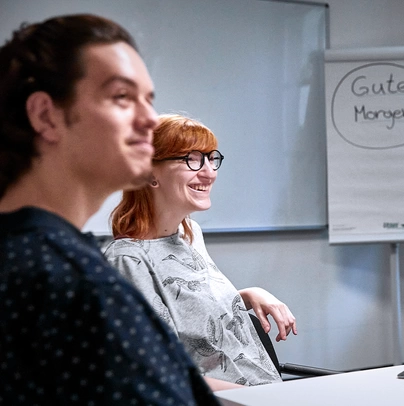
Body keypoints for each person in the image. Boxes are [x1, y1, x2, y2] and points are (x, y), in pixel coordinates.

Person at [0, 14, 219, 404]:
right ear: (46, 115)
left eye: (148, 100)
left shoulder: (35, 256)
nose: (149, 119)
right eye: (122, 96)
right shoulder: (72, 283)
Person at [103, 114, 297, 391]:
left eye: (210, 158)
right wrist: (265, 399)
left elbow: (187, 311)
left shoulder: (189, 234)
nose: (209, 172)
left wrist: (245, 295)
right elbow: (157, 372)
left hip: (268, 393)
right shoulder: (128, 259)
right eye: (192, 159)